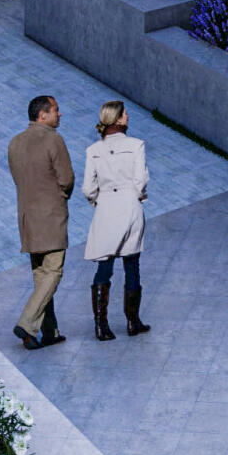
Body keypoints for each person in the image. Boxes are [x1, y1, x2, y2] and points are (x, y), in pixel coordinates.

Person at [6, 94, 73, 351]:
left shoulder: (15, 142)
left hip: (27, 218)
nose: (60, 114)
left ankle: (49, 332)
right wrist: (60, 196)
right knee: (53, 272)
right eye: (56, 110)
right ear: (42, 115)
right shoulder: (53, 139)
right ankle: (26, 324)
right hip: (51, 216)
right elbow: (66, 179)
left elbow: (18, 179)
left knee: (41, 275)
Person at [80, 99, 150, 340]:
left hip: (106, 207)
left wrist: (100, 201)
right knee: (132, 263)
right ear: (118, 119)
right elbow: (141, 180)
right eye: (125, 114)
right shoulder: (136, 145)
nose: (128, 117)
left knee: (105, 265)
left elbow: (88, 188)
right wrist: (134, 196)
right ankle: (132, 322)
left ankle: (101, 326)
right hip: (130, 205)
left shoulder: (93, 150)